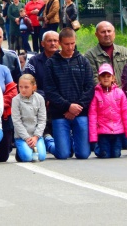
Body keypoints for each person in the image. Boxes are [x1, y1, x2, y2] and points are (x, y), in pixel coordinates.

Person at [44, 28, 94, 159]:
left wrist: (76, 107)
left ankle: (70, 142)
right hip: (60, 113)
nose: (70, 47)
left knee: (83, 154)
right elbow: (50, 91)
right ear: (60, 43)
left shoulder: (83, 61)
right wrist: (67, 106)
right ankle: (49, 143)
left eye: (72, 43)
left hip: (80, 111)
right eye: (66, 44)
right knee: (63, 154)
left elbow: (89, 88)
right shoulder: (51, 63)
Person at [88, 63, 127, 158]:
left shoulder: (120, 93)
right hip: (103, 131)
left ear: (113, 78)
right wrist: (93, 136)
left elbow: (126, 113)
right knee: (105, 155)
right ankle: (99, 148)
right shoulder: (95, 94)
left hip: (117, 130)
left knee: (116, 154)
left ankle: (101, 149)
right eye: (103, 76)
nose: (106, 78)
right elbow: (92, 115)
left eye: (108, 76)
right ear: (99, 79)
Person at [85, 21, 127, 87]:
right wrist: (110, 91)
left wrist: (120, 92)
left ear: (114, 34)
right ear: (96, 35)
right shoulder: (90, 55)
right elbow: (93, 79)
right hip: (102, 95)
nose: (107, 34)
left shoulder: (124, 52)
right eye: (103, 32)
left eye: (109, 31)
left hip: (124, 94)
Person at [12, 74, 46, 162]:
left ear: (33, 87)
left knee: (41, 157)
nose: (23, 90)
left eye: (26, 87)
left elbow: (42, 120)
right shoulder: (16, 100)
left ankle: (46, 141)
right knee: (27, 157)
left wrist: (36, 137)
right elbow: (16, 121)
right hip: (22, 136)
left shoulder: (40, 99)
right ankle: (20, 152)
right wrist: (26, 138)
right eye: (20, 87)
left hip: (36, 136)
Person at [25, 31, 59, 97]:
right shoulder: (34, 61)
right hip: (40, 100)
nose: (53, 43)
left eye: (55, 41)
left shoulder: (65, 60)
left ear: (59, 43)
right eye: (49, 41)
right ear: (42, 43)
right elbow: (28, 84)